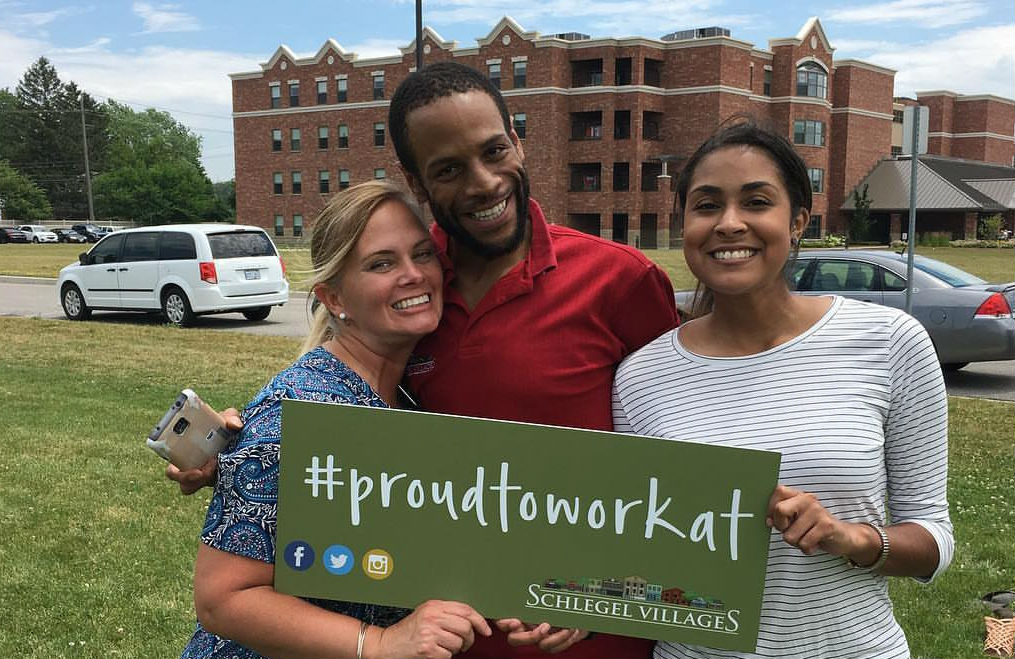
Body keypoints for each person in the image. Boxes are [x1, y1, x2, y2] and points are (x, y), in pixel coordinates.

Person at [172, 61, 678, 658]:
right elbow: (229, 589)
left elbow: (674, 479)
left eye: (494, 150)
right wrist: (249, 451)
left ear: (518, 141)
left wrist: (596, 596)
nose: (484, 181)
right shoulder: (411, 309)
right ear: (418, 182)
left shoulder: (619, 281)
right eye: (449, 169)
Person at [611, 120, 954, 659]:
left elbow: (934, 538)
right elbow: (637, 548)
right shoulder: (641, 377)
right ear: (685, 225)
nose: (729, 223)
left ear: (796, 221)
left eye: (755, 202)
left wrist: (855, 539)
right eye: (706, 205)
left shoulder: (890, 342)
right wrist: (572, 604)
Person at [181, 180, 492, 659]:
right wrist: (383, 643)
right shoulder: (299, 413)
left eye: (422, 254)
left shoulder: (406, 400)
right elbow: (223, 600)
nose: (413, 274)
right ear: (335, 298)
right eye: (381, 263)